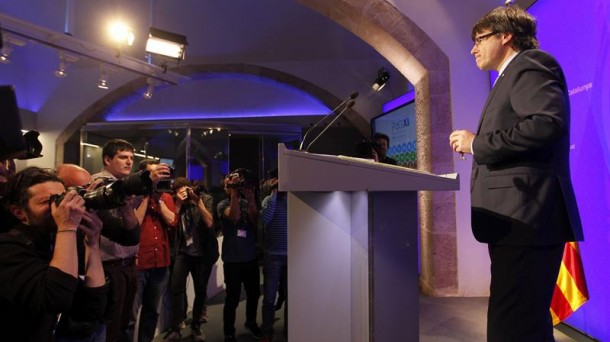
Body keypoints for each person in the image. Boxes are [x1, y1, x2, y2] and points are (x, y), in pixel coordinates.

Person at [448, 5, 584, 341]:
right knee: (525, 325)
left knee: (513, 326)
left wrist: (478, 144)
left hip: (528, 218)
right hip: (517, 221)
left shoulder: (531, 64)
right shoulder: (510, 75)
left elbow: (545, 124)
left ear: (506, 35)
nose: (473, 48)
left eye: (479, 39)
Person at [0, 167, 107, 341]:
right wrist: (67, 228)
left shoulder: (57, 240)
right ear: (19, 212)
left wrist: (92, 243)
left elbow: (92, 307)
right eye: (46, 202)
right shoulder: (7, 248)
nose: (60, 206)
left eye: (61, 198)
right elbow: (56, 298)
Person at [92, 139, 141, 342]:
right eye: (123, 157)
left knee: (125, 323)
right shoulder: (96, 185)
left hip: (127, 264)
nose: (129, 162)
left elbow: (133, 228)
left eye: (131, 158)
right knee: (110, 327)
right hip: (107, 266)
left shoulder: (127, 186)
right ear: (107, 159)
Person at [129, 159, 177, 342]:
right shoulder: (133, 197)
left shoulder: (165, 197)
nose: (157, 178)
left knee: (152, 311)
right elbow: (135, 224)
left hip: (161, 262)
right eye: (152, 174)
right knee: (130, 315)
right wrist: (146, 196)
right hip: (139, 262)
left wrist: (158, 201)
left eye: (159, 174)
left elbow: (172, 221)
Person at [164, 177, 216, 341]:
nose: (185, 194)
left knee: (200, 290)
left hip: (202, 253)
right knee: (176, 288)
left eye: (186, 191)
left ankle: (196, 326)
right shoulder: (174, 202)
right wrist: (178, 203)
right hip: (183, 252)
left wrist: (197, 201)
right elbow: (171, 221)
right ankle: (175, 327)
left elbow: (209, 222)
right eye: (180, 192)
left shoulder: (205, 198)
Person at [217, 169, 263, 342]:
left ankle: (250, 322)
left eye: (236, 184)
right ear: (226, 188)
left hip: (250, 258)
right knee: (232, 298)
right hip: (233, 260)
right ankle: (229, 331)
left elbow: (253, 218)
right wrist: (235, 195)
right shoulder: (222, 204)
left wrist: (250, 197)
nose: (234, 186)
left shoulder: (247, 202)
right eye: (230, 185)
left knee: (254, 294)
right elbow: (235, 217)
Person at [259, 170, 288, 342]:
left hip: (291, 255)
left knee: (291, 297)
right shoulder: (269, 200)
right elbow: (265, 219)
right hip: (272, 256)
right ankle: (266, 332)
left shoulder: (295, 200)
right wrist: (274, 194)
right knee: (269, 298)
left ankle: (290, 330)